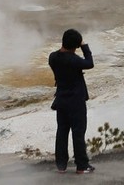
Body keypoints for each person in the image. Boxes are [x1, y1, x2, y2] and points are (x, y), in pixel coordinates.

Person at [48, 29, 95, 174]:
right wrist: (84, 46)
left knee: (62, 131)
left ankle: (61, 165)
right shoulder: (74, 60)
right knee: (78, 132)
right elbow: (89, 63)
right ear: (75, 45)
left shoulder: (53, 57)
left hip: (61, 100)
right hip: (76, 101)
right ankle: (82, 165)